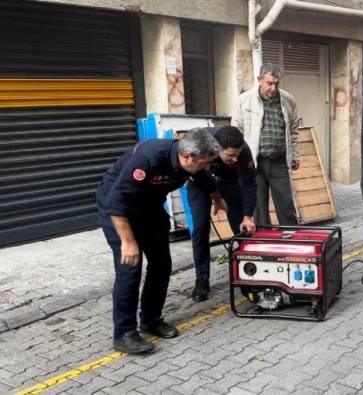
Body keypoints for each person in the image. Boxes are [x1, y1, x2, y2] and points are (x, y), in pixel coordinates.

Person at [96, 128, 224, 354]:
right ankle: (124, 333)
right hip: (118, 211)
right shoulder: (147, 158)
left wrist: (217, 199)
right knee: (130, 268)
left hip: (150, 209)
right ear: (188, 157)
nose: (207, 167)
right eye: (205, 163)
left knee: (162, 264)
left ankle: (151, 320)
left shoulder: (192, 161)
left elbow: (203, 178)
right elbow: (116, 202)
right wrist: (128, 241)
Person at [187, 126, 257, 302]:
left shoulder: (244, 152)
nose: (235, 159)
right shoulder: (200, 145)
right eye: (230, 156)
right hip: (201, 182)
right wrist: (215, 197)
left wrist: (247, 216)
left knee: (241, 229)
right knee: (200, 228)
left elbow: (249, 185)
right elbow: (192, 172)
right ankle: (202, 280)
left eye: (237, 155)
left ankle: (248, 276)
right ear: (217, 148)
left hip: (230, 182)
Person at [233, 62, 299, 226]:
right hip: (254, 163)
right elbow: (236, 131)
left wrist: (295, 155)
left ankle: (291, 241)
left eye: (276, 83)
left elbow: (293, 130)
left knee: (286, 205)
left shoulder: (288, 100)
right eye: (269, 83)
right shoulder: (243, 101)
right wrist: (239, 160)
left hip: (279, 162)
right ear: (259, 80)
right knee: (259, 208)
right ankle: (265, 245)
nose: (273, 88)